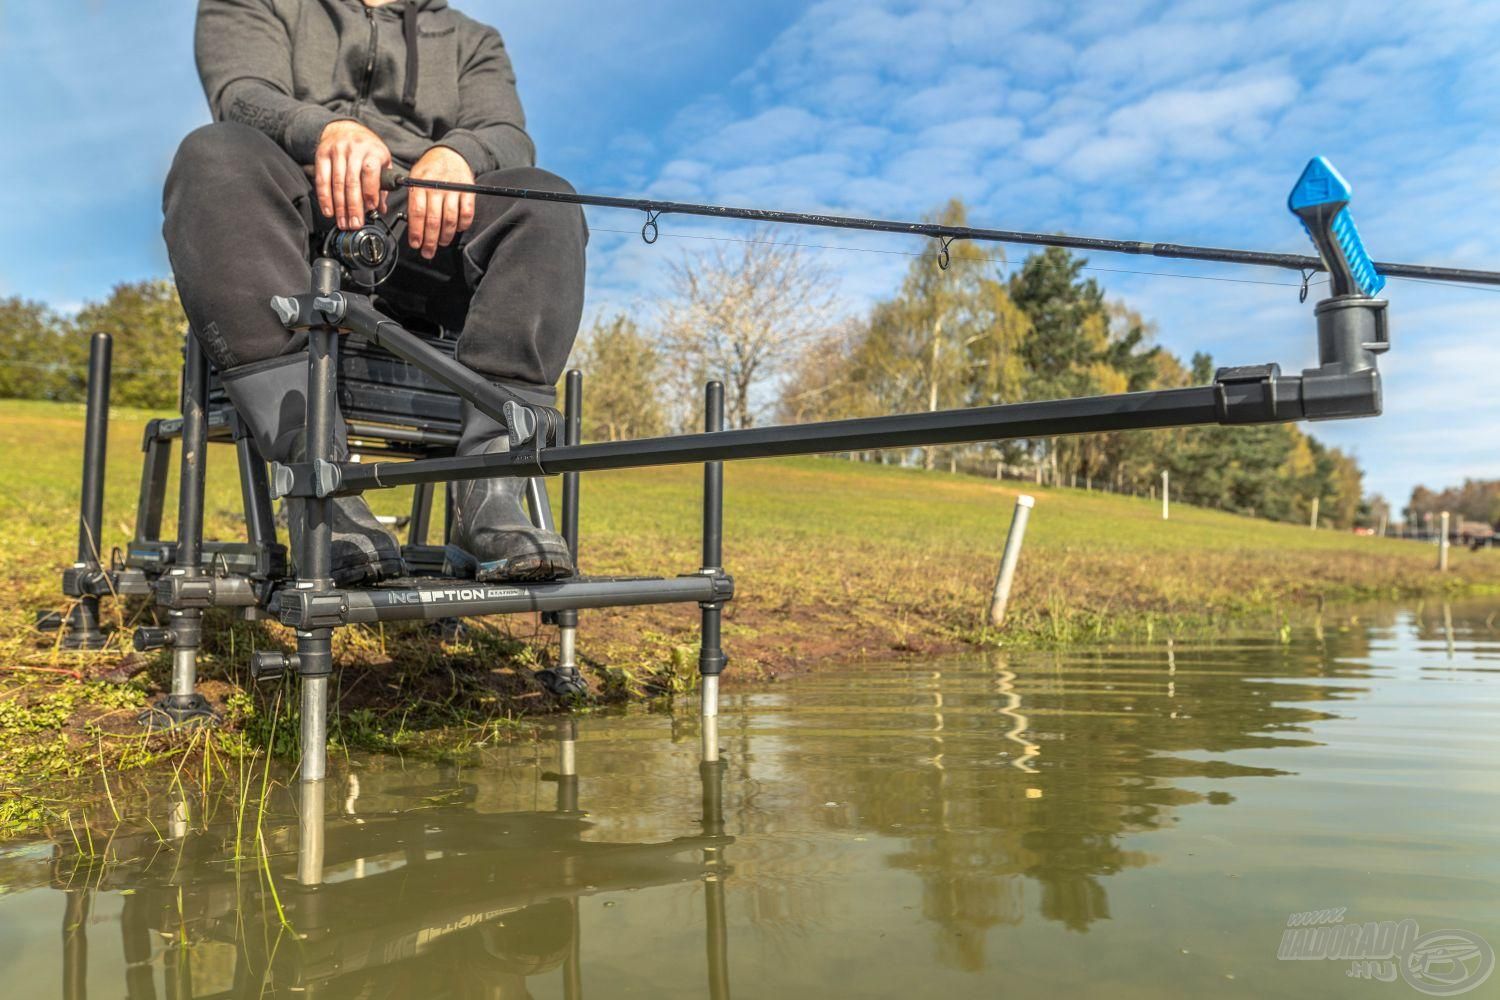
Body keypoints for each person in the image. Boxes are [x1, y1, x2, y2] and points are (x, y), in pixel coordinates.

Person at [163, 0, 587, 585]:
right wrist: (325, 131)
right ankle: (322, 492)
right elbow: (241, 95)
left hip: (426, 229)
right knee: (212, 156)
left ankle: (489, 496)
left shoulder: (475, 39)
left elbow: (507, 134)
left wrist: (459, 153)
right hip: (294, 213)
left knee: (545, 203)